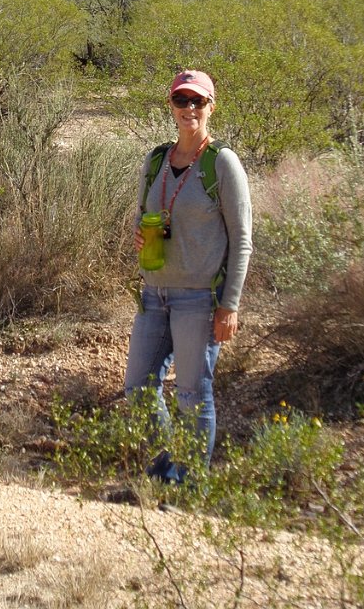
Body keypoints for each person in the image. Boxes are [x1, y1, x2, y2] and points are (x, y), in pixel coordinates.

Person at [124, 69, 252, 484]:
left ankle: (190, 483)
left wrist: (229, 304)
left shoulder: (222, 163)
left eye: (198, 101)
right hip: (154, 293)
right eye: (182, 100)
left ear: (211, 106)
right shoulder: (157, 160)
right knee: (138, 388)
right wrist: (144, 237)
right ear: (171, 105)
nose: (189, 109)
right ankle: (164, 475)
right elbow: (144, 216)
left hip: (199, 300)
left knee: (193, 395)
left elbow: (242, 240)